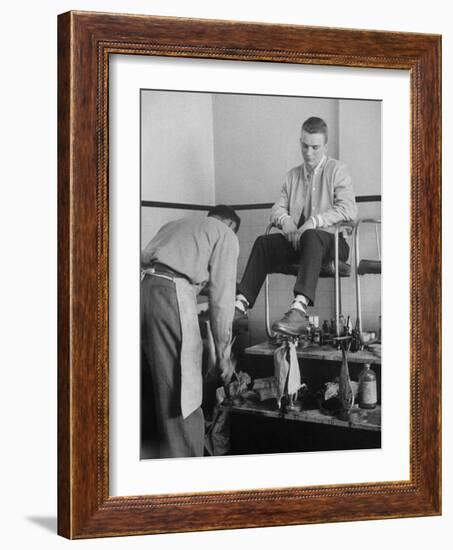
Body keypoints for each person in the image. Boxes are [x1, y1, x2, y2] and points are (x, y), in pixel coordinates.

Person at [234, 116, 357, 336]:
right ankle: (240, 307)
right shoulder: (292, 176)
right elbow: (276, 209)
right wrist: (287, 222)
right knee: (264, 243)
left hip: (334, 244)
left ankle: (299, 310)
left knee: (311, 234)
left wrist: (313, 221)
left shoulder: (338, 170)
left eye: (315, 147)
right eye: (304, 145)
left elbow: (349, 210)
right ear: (300, 141)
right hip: (302, 243)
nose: (308, 152)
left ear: (325, 146)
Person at [141, 205, 240, 458]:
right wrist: (224, 353)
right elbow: (222, 296)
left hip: (142, 289)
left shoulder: (177, 225)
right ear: (230, 225)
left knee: (151, 388)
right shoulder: (226, 234)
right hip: (171, 294)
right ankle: (187, 475)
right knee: (182, 393)